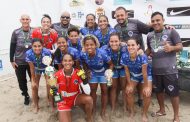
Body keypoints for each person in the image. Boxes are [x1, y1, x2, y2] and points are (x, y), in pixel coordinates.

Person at [146, 12, 182, 122]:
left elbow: (180, 46)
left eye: (158, 20)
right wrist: (140, 53)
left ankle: (176, 116)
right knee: (158, 92)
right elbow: (149, 50)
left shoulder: (171, 31)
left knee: (173, 94)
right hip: (155, 70)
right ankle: (162, 110)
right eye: (153, 21)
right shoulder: (149, 35)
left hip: (169, 70)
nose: (155, 23)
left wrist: (171, 48)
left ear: (163, 20)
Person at [80, 34, 113, 120]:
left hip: (103, 72)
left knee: (104, 90)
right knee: (93, 91)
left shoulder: (102, 53)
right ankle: (93, 109)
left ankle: (103, 111)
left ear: (96, 45)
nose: (89, 47)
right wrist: (87, 70)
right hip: (93, 73)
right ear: (84, 46)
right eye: (87, 45)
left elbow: (111, 64)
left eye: (91, 44)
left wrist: (109, 73)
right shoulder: (83, 54)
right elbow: (82, 62)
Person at [54, 53, 93, 122]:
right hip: (63, 100)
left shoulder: (78, 72)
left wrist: (84, 81)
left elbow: (88, 92)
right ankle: (62, 112)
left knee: (89, 99)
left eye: (70, 60)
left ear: (73, 62)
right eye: (65, 61)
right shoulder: (57, 75)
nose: (67, 63)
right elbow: (55, 94)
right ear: (62, 62)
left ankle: (89, 118)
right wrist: (59, 103)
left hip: (75, 97)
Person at [121, 38, 152, 122]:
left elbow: (145, 73)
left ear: (138, 46)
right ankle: (132, 111)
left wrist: (146, 86)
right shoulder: (124, 56)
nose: (130, 47)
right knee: (128, 91)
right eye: (128, 45)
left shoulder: (143, 56)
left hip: (146, 75)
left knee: (147, 93)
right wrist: (130, 84)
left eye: (133, 45)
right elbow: (127, 72)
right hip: (134, 75)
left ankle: (144, 113)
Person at [101, 32, 127, 113]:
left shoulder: (125, 47)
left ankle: (125, 107)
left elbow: (136, 48)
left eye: (116, 41)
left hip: (123, 68)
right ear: (109, 42)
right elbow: (96, 49)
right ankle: (113, 107)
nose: (114, 43)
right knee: (113, 88)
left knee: (124, 87)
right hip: (113, 69)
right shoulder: (105, 48)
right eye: (112, 41)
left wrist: (140, 51)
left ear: (120, 41)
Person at [10, 14, 32, 105]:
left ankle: (35, 94)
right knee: (21, 81)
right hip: (19, 61)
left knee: (34, 80)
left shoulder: (35, 31)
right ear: (20, 20)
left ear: (30, 20)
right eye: (23, 19)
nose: (25, 21)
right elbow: (12, 46)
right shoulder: (16, 32)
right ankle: (26, 95)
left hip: (32, 61)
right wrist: (12, 60)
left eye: (27, 19)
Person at [25, 38, 52, 113]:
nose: (37, 48)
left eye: (39, 46)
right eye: (35, 46)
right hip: (36, 69)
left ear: (42, 45)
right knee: (34, 87)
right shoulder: (28, 53)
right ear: (32, 46)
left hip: (46, 67)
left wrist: (49, 79)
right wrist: (33, 80)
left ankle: (49, 99)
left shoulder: (47, 52)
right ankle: (36, 105)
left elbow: (48, 66)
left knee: (49, 84)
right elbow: (31, 68)